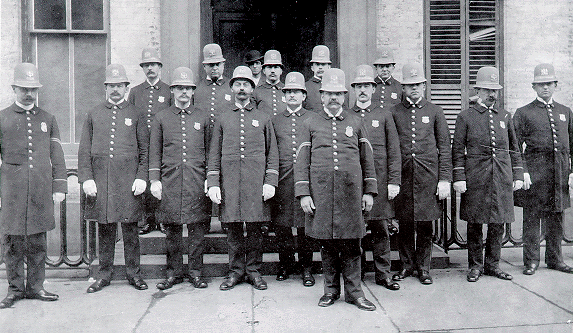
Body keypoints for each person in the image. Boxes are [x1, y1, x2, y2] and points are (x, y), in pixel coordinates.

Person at [294, 68, 378, 311]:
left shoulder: (356, 121)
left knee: (353, 244)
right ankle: (330, 291)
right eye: (328, 93)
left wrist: (369, 191)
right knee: (327, 244)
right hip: (321, 194)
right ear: (321, 96)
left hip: (351, 194)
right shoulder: (310, 122)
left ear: (344, 96)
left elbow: (367, 159)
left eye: (338, 94)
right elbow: (302, 161)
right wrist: (304, 193)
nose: (333, 98)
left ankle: (355, 293)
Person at [0, 63, 67, 309]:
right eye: (24, 89)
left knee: (38, 241)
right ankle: (15, 289)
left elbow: (57, 155)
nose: (28, 94)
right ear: (14, 88)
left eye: (33, 89)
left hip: (40, 188)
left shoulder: (48, 118)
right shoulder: (2, 117)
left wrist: (59, 186)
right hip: (12, 190)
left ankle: (36, 286)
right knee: (13, 242)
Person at [207, 66, 279, 291]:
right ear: (232, 88)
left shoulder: (263, 117)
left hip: (256, 183)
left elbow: (272, 153)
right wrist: (213, 183)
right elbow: (214, 152)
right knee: (233, 229)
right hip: (230, 183)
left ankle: (254, 271)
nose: (241, 88)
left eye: (246, 84)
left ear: (252, 88)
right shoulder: (222, 117)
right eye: (237, 84)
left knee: (256, 228)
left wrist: (270, 181)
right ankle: (235, 272)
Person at [79, 64, 149, 293]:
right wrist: (87, 179)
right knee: (106, 230)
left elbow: (145, 151)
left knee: (131, 231)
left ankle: (134, 274)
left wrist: (141, 177)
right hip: (103, 181)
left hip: (128, 183)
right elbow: (84, 150)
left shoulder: (137, 114)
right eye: (111, 86)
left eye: (119, 86)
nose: (115, 90)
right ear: (106, 88)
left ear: (126, 88)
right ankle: (104, 275)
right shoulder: (94, 113)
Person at [452, 66, 524, 283]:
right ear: (478, 91)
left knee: (498, 222)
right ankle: (475, 266)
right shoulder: (465, 116)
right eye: (487, 90)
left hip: (501, 176)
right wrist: (459, 177)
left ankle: (493, 265)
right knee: (475, 223)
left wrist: (518, 174)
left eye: (495, 91)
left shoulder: (505, 116)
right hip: (476, 177)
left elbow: (514, 147)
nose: (492, 95)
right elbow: (457, 150)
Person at [148, 67, 212, 290]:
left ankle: (195, 273)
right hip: (170, 181)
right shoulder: (161, 118)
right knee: (172, 231)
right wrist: (155, 180)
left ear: (193, 91)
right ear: (172, 90)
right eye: (179, 88)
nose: (184, 92)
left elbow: (211, 151)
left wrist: (209, 179)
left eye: (188, 88)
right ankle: (173, 273)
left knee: (197, 231)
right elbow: (154, 152)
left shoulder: (203, 117)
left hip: (196, 180)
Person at [391, 62, 452, 285]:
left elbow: (445, 146)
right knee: (405, 223)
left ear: (424, 85)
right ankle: (407, 266)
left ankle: (424, 268)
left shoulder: (435, 111)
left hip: (428, 176)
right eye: (409, 85)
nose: (414, 88)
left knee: (425, 224)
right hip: (404, 175)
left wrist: (445, 178)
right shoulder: (395, 112)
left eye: (418, 84)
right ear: (403, 89)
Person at [513, 63, 573, 275]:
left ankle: (555, 259)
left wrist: (572, 172)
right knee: (532, 218)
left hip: (559, 173)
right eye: (540, 84)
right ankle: (531, 261)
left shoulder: (565, 111)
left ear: (556, 85)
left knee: (557, 216)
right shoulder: (523, 113)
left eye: (549, 84)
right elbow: (515, 146)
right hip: (535, 173)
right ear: (534, 87)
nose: (545, 88)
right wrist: (523, 171)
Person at [350, 65, 401, 290]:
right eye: (359, 86)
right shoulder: (347, 116)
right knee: (355, 231)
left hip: (379, 182)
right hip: (354, 184)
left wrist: (393, 181)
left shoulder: (384, 115)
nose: (362, 90)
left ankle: (383, 274)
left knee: (381, 230)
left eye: (366, 86)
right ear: (354, 89)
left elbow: (394, 150)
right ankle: (356, 273)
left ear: (373, 89)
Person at [270, 71, 315, 286]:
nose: (292, 95)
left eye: (297, 91)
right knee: (283, 227)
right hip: (283, 181)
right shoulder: (276, 121)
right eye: (288, 91)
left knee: (306, 227)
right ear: (283, 95)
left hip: (307, 181)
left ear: (304, 95)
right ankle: (285, 264)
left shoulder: (313, 118)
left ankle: (307, 268)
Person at [128, 47, 172, 235]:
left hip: (163, 143)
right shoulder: (136, 92)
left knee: (162, 179)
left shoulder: (169, 91)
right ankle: (148, 220)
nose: (150, 68)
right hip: (142, 143)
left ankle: (163, 219)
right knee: (144, 179)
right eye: (146, 65)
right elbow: (129, 117)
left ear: (160, 67)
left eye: (153, 64)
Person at [194, 43, 233, 126]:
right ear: (204, 66)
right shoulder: (197, 88)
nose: (215, 68)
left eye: (218, 64)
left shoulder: (231, 86)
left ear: (223, 64)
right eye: (211, 65)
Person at [255, 50, 286, 116]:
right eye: (269, 67)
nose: (272, 71)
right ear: (263, 70)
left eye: (276, 67)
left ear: (281, 71)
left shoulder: (287, 90)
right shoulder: (256, 92)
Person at [303, 45, 332, 112]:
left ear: (329, 67)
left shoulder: (335, 86)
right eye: (317, 64)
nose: (320, 67)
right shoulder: (305, 87)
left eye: (323, 64)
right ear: (312, 67)